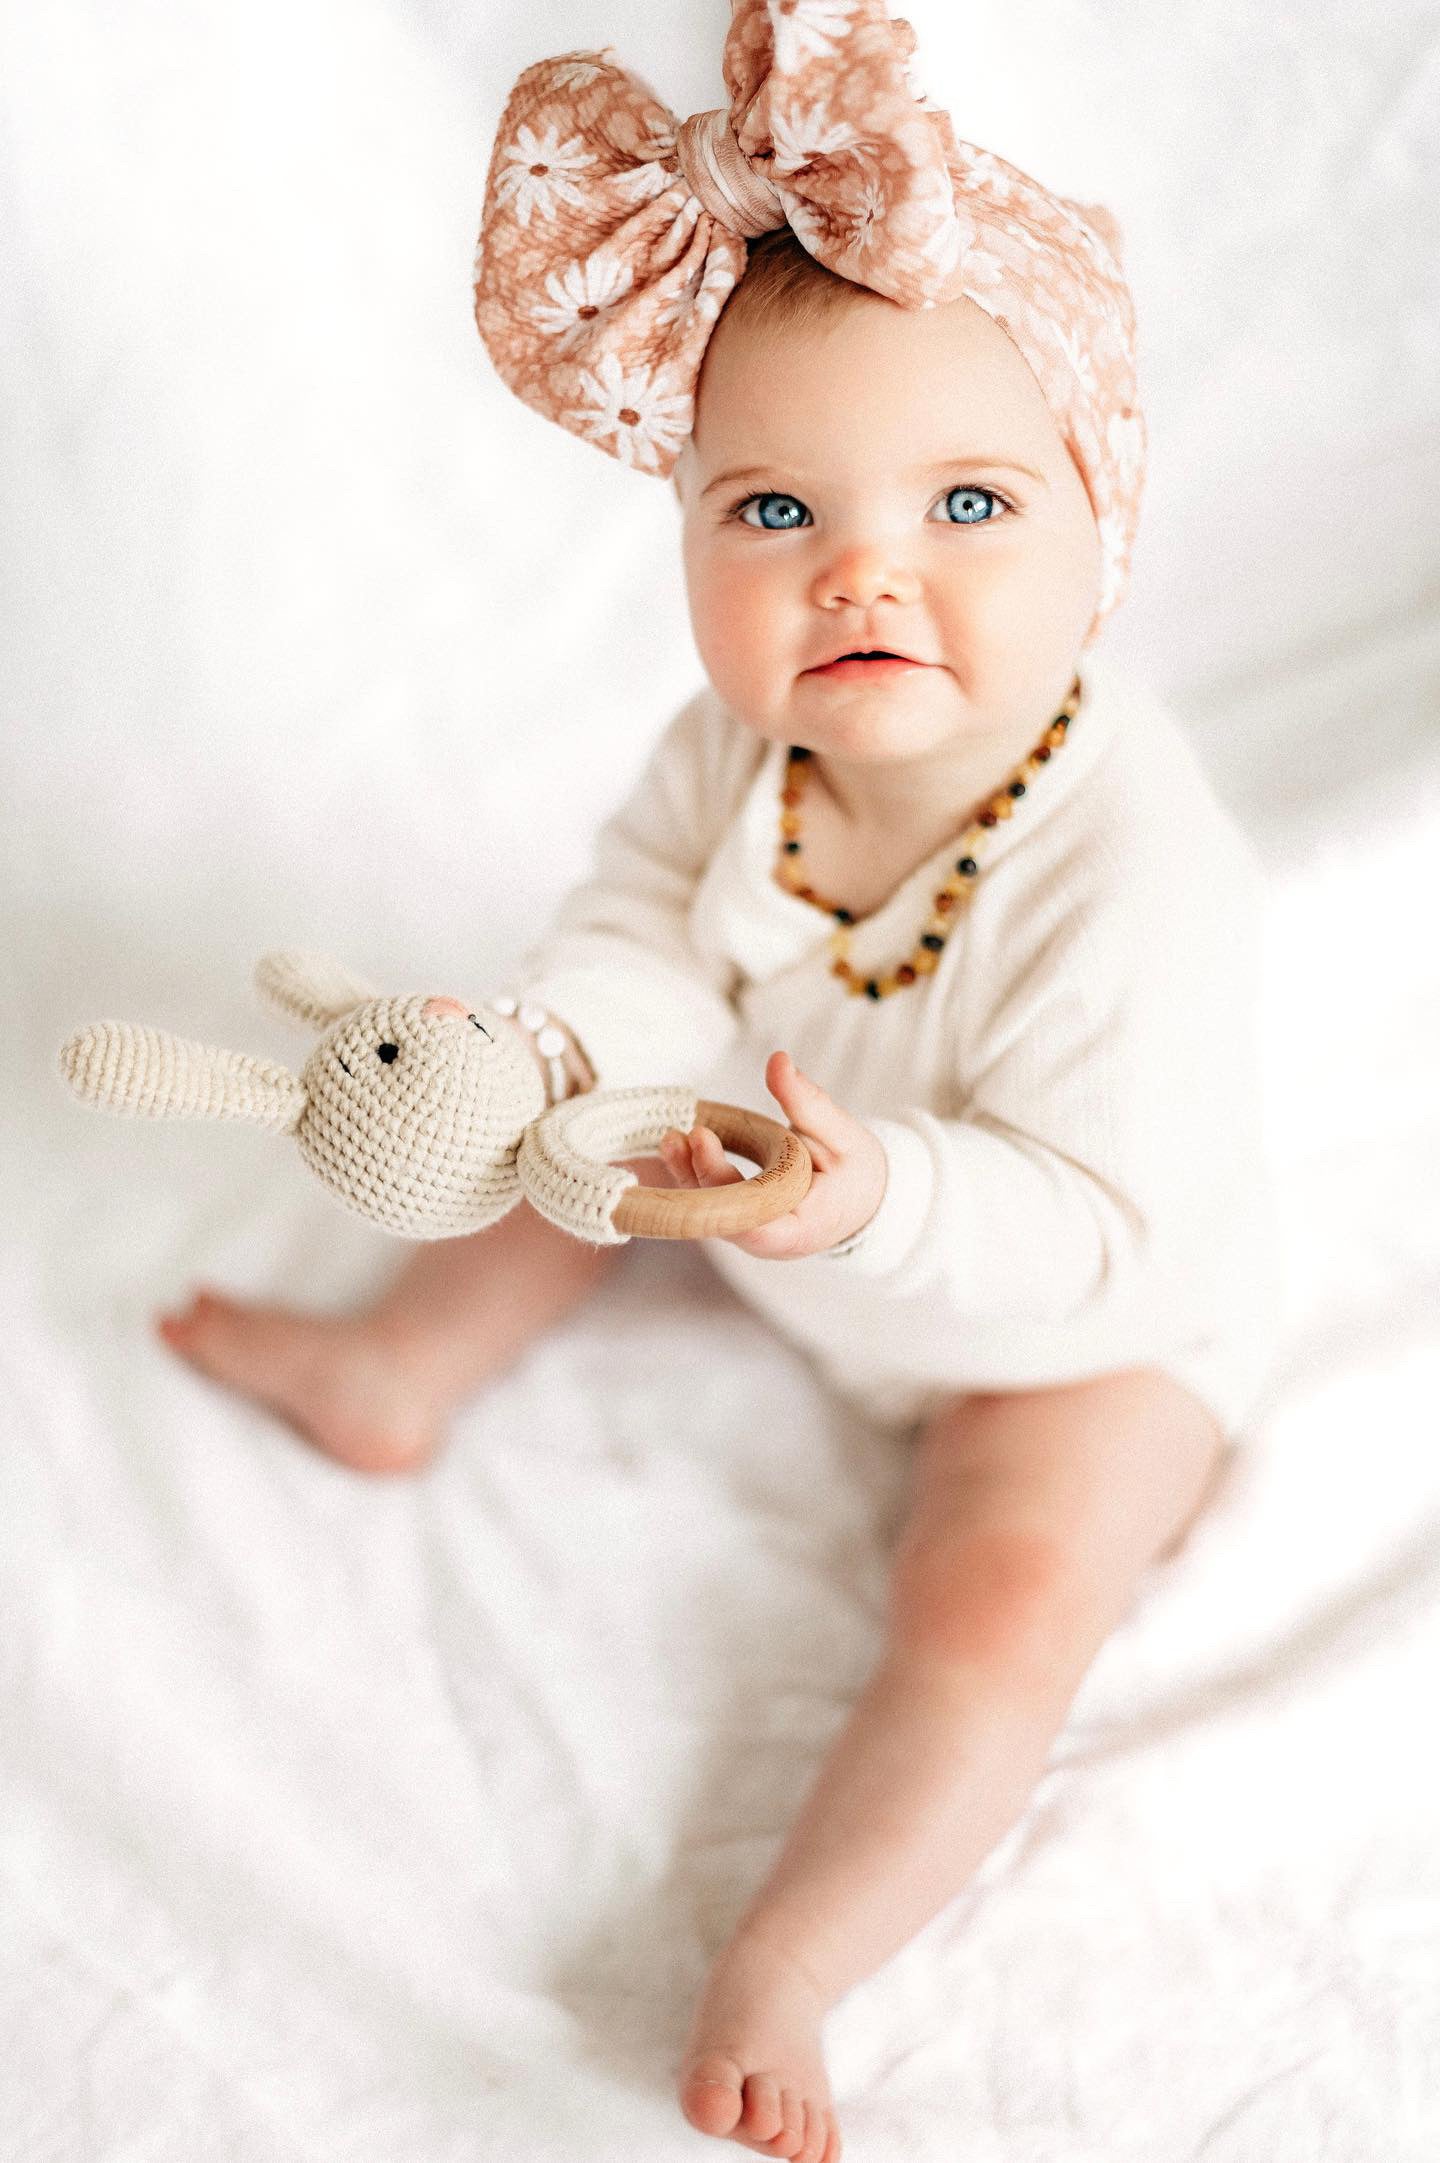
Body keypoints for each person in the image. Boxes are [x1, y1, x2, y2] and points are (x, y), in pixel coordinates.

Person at [155, 8, 1283, 2158]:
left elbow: (1094, 1226)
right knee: (553, 1144)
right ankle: (398, 1366)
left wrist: (871, 1204)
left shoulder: (1133, 864)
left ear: (1104, 516)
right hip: (775, 1176)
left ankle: (799, 1953)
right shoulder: (741, 750)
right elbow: (643, 941)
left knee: (1002, 1605)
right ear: (680, 528)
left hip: (1082, 1324)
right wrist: (548, 1048)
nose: (862, 571)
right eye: (773, 507)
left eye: (968, 501)